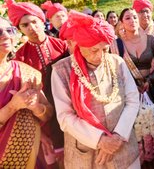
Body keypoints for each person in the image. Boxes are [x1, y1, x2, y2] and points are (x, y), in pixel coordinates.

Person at [51, 10, 140, 168]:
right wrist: (100, 140)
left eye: (105, 49)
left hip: (124, 149)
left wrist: (118, 136)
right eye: (93, 50)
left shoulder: (117, 62)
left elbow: (132, 100)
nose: (100, 55)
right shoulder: (61, 70)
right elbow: (65, 117)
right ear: (80, 46)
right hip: (86, 155)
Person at [5, 0, 68, 168]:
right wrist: (39, 132)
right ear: (19, 29)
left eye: (34, 21)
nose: (31, 28)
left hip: (70, 112)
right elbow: (25, 99)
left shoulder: (62, 46)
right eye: (25, 25)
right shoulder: (20, 57)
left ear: (42, 20)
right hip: (43, 119)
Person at [0, 17, 53, 168]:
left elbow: (48, 112)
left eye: (9, 30)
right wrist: (13, 106)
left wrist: (36, 107)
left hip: (25, 158)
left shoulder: (26, 72)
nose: (6, 36)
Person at [110, 8, 154, 96]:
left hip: (149, 89)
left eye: (134, 17)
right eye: (127, 18)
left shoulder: (150, 40)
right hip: (128, 91)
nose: (132, 20)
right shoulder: (116, 44)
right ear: (121, 23)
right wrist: (131, 85)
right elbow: (114, 70)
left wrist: (150, 79)